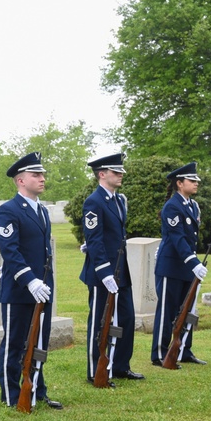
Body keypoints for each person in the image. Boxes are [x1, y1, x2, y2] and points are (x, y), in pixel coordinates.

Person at [0, 152, 63, 410]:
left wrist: (42, 282)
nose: (42, 179)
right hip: (20, 289)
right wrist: (30, 281)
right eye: (36, 175)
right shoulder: (9, 210)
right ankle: (12, 395)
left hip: (43, 287)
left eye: (42, 174)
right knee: (15, 343)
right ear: (20, 180)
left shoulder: (42, 211)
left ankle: (36, 388)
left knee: (38, 341)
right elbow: (10, 251)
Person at [80, 152, 144, 383]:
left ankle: (120, 366)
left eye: (121, 172)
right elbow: (94, 240)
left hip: (120, 270)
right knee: (100, 321)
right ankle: (94, 370)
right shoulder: (94, 202)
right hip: (102, 273)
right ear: (102, 174)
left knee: (125, 318)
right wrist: (105, 272)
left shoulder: (119, 200)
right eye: (116, 172)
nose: (120, 176)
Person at [151, 162, 207, 367]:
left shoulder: (192, 205)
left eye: (196, 181)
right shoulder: (172, 207)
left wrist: (193, 263)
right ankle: (159, 353)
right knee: (168, 310)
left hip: (186, 266)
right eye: (192, 181)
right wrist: (193, 262)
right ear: (179, 183)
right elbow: (178, 238)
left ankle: (184, 349)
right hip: (171, 266)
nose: (196, 184)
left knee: (187, 310)